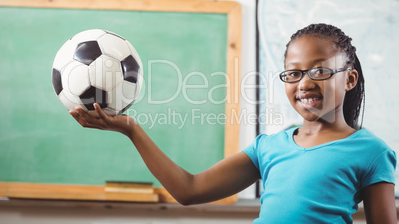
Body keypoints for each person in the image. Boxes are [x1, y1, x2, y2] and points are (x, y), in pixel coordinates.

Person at [70, 23, 396, 223]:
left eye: (320, 71)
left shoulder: (370, 152)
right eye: (293, 73)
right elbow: (189, 190)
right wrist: (131, 129)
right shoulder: (268, 147)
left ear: (350, 78)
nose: (304, 83)